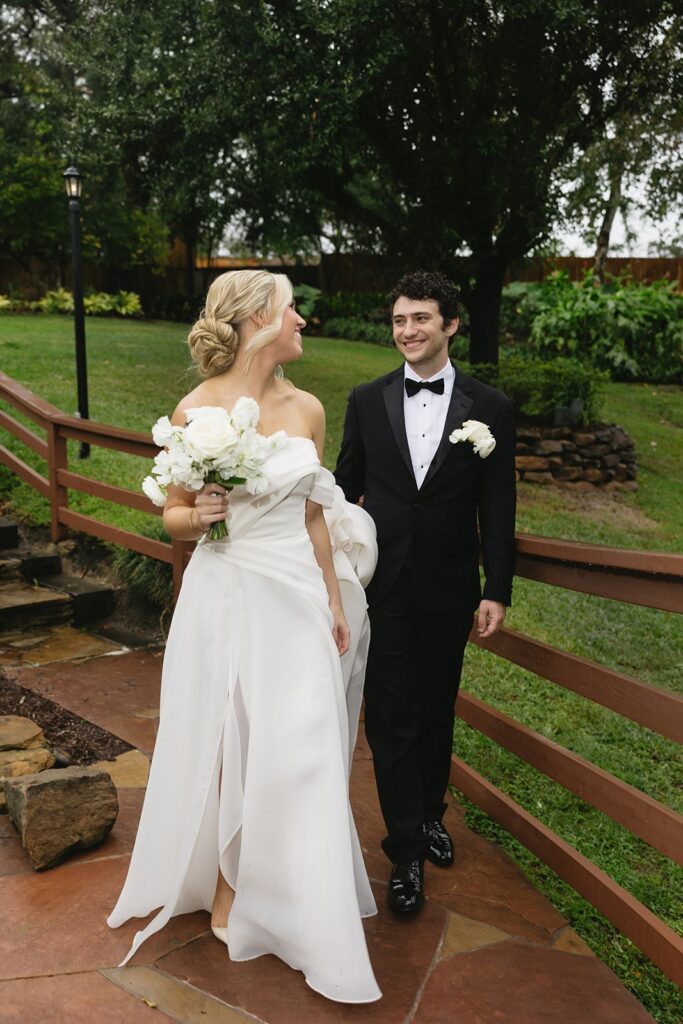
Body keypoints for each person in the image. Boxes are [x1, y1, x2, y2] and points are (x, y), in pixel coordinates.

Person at [108, 269, 382, 1004]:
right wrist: (196, 515)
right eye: (293, 310)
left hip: (297, 592)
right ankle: (229, 890)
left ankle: (302, 898)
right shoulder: (198, 408)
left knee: (303, 744)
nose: (303, 322)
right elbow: (171, 511)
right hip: (227, 589)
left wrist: (333, 598)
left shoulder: (311, 409)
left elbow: (317, 511)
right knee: (231, 741)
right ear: (260, 317)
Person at [334, 269, 516, 914]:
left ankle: (431, 812)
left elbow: (498, 507)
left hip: (449, 587)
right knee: (390, 717)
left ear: (450, 325)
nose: (407, 331)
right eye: (399, 321)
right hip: (385, 587)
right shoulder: (366, 399)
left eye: (420, 319)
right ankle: (406, 850)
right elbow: (340, 488)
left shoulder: (489, 408)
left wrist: (497, 587)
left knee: (437, 708)